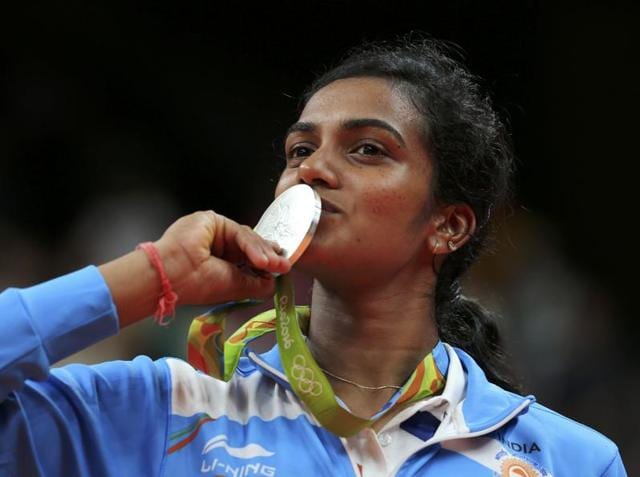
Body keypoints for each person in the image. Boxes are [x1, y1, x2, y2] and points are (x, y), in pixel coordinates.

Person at [0, 37, 627, 476]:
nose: (313, 169)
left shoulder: (567, 459)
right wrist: (152, 276)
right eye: (300, 150)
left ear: (448, 225)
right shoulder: (165, 411)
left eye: (368, 150)